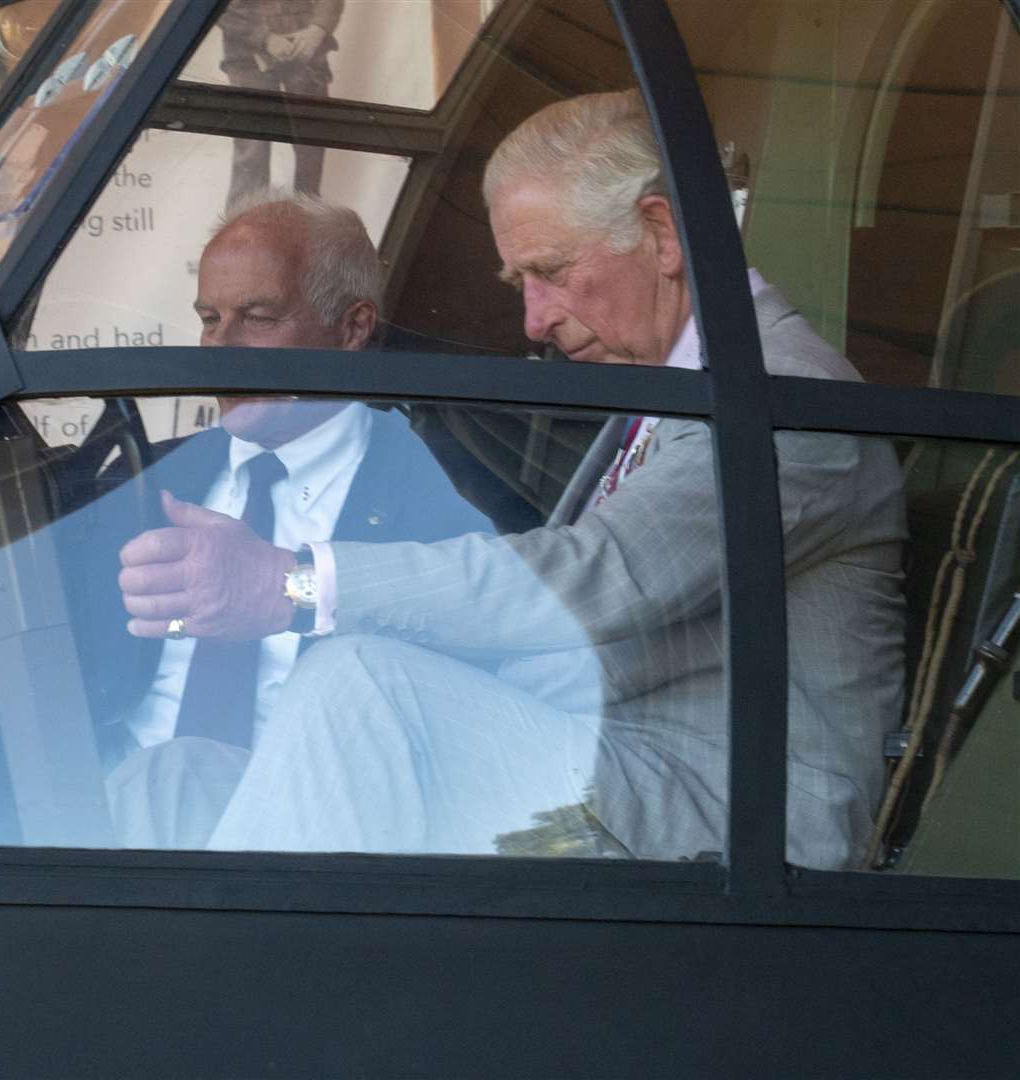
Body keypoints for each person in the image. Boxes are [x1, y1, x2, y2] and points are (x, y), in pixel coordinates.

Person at [120, 90, 908, 870]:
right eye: (519, 283)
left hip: (726, 819)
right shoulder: (669, 380)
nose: (534, 321)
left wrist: (290, 586)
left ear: (662, 233)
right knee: (178, 778)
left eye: (551, 272)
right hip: (600, 775)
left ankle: (224, 990)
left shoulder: (781, 399)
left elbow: (599, 578)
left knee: (360, 681)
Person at [96, 190, 521, 847]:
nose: (221, 349)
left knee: (174, 777)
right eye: (210, 319)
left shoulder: (439, 503)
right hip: (106, 809)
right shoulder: (145, 486)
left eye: (257, 317)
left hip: (312, 832)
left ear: (352, 329)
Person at [216, 1, 344, 204]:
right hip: (247, 52)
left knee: (311, 144)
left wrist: (318, 29)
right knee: (252, 149)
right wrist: (264, 38)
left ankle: (307, 225)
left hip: (307, 48)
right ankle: (245, 225)